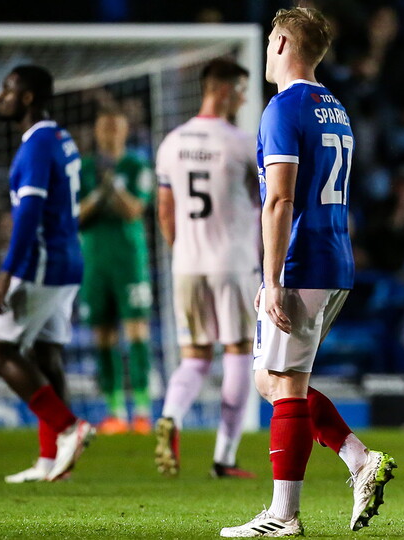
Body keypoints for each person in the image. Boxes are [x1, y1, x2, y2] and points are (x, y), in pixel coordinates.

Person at [220, 8, 396, 537]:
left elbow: (279, 198)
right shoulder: (334, 107)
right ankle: (358, 459)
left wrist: (271, 278)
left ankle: (283, 515)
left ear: (278, 42)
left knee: (286, 386)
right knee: (271, 380)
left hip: (303, 261)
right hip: (335, 256)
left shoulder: (283, 108)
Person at [0, 65, 94, 483]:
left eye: (7, 90)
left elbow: (29, 213)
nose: (1, 98)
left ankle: (69, 428)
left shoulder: (35, 145)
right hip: (68, 263)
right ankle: (52, 463)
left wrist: (6, 274)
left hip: (41, 265)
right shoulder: (61, 138)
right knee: (46, 356)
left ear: (27, 97)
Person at [152, 59, 259, 479]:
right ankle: (224, 458)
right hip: (232, 262)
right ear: (226, 90)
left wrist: (182, 251)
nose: (245, 98)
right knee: (237, 351)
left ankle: (171, 417)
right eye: (242, 89)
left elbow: (165, 211)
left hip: (186, 264)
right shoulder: (240, 143)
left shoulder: (171, 142)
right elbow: (265, 202)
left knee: (194, 357)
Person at [77, 108, 154, 435]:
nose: (110, 134)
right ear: (97, 132)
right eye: (104, 128)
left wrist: (114, 188)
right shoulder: (83, 169)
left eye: (115, 128)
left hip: (128, 261)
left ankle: (142, 410)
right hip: (94, 262)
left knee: (137, 332)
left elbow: (135, 210)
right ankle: (114, 412)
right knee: (103, 336)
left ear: (124, 132)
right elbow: (76, 216)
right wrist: (100, 191)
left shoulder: (138, 167)